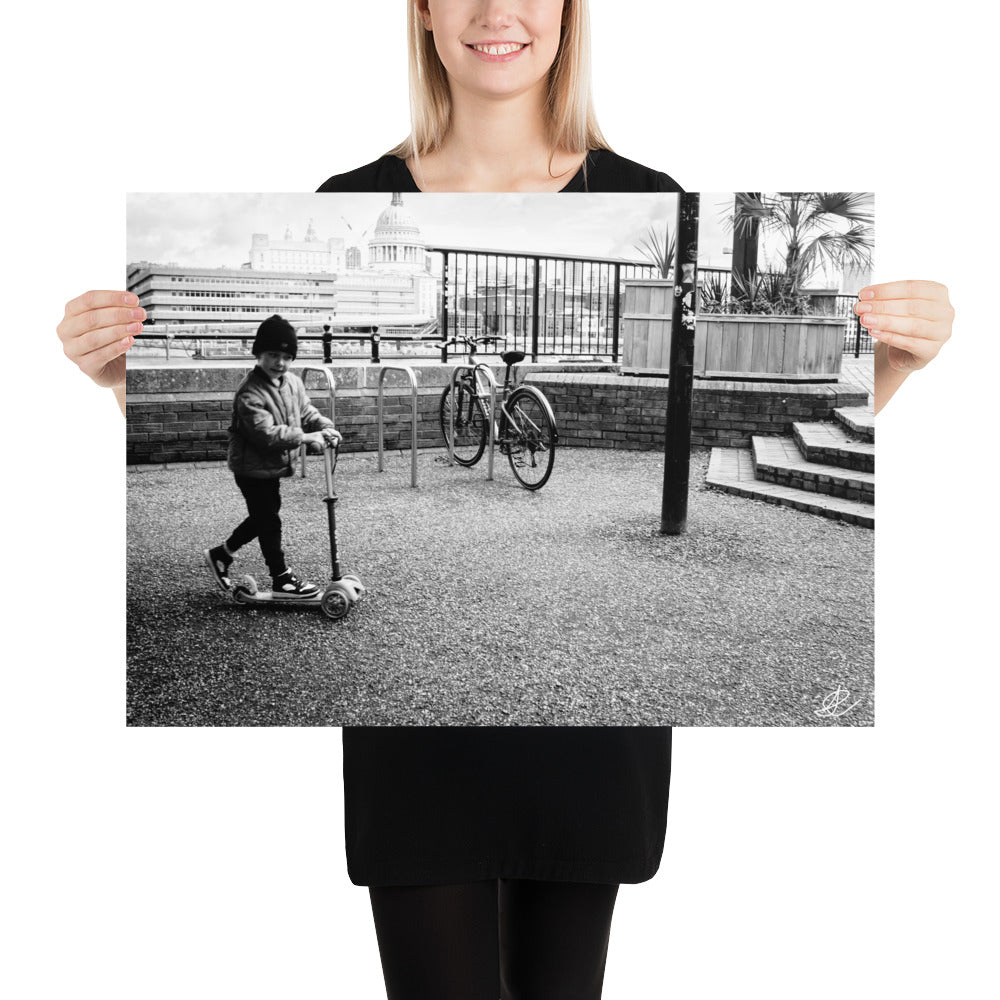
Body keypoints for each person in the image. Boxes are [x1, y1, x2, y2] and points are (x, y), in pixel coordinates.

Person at [55, 2, 954, 998]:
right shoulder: (348, 195)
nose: (496, 11)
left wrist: (899, 367)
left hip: (591, 760)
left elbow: (826, 401)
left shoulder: (650, 193)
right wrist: (110, 377)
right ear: (424, 13)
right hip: (417, 768)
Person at [204, 314, 342, 598]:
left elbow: (304, 411)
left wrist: (323, 427)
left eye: (285, 357)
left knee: (263, 517)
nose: (279, 362)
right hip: (251, 468)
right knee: (268, 520)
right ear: (258, 354)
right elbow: (265, 434)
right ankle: (281, 578)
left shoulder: (291, 382)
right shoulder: (249, 392)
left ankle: (221, 554)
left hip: (272, 466)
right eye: (272, 355)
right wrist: (305, 437)